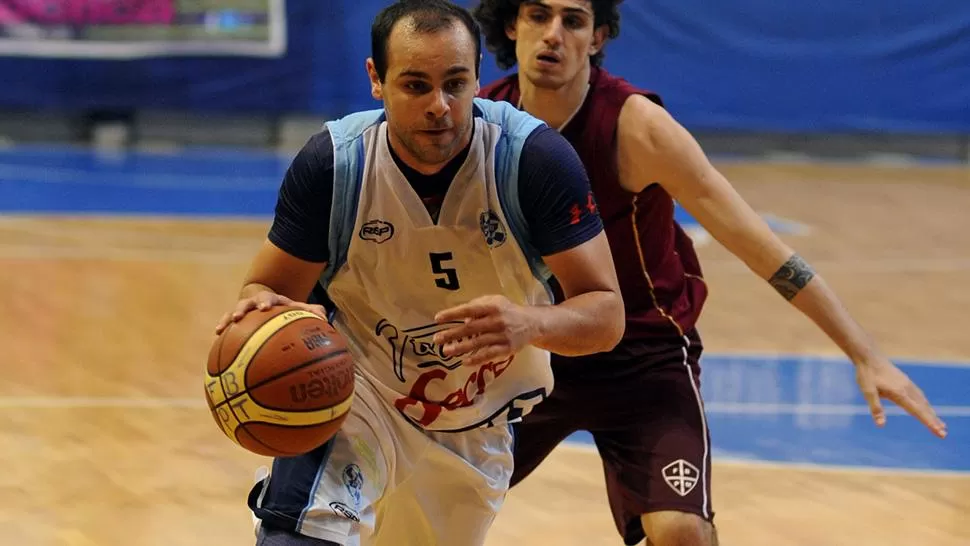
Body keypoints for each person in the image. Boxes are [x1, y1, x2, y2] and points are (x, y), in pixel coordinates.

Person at [472, 1, 949, 545]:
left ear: (599, 36)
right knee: (430, 505)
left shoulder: (637, 128)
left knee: (682, 533)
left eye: (573, 20)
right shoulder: (483, 123)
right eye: (538, 15)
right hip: (534, 353)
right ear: (512, 25)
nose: (552, 34)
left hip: (642, 359)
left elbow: (757, 243)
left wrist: (865, 354)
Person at [213, 1, 626, 545]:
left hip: (472, 421)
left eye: (455, 83)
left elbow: (606, 314)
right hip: (354, 393)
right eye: (415, 85)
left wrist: (530, 323)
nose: (440, 106)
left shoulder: (533, 161)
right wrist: (275, 311)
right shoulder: (334, 166)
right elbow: (264, 289)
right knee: (298, 532)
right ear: (375, 80)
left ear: (479, 77)